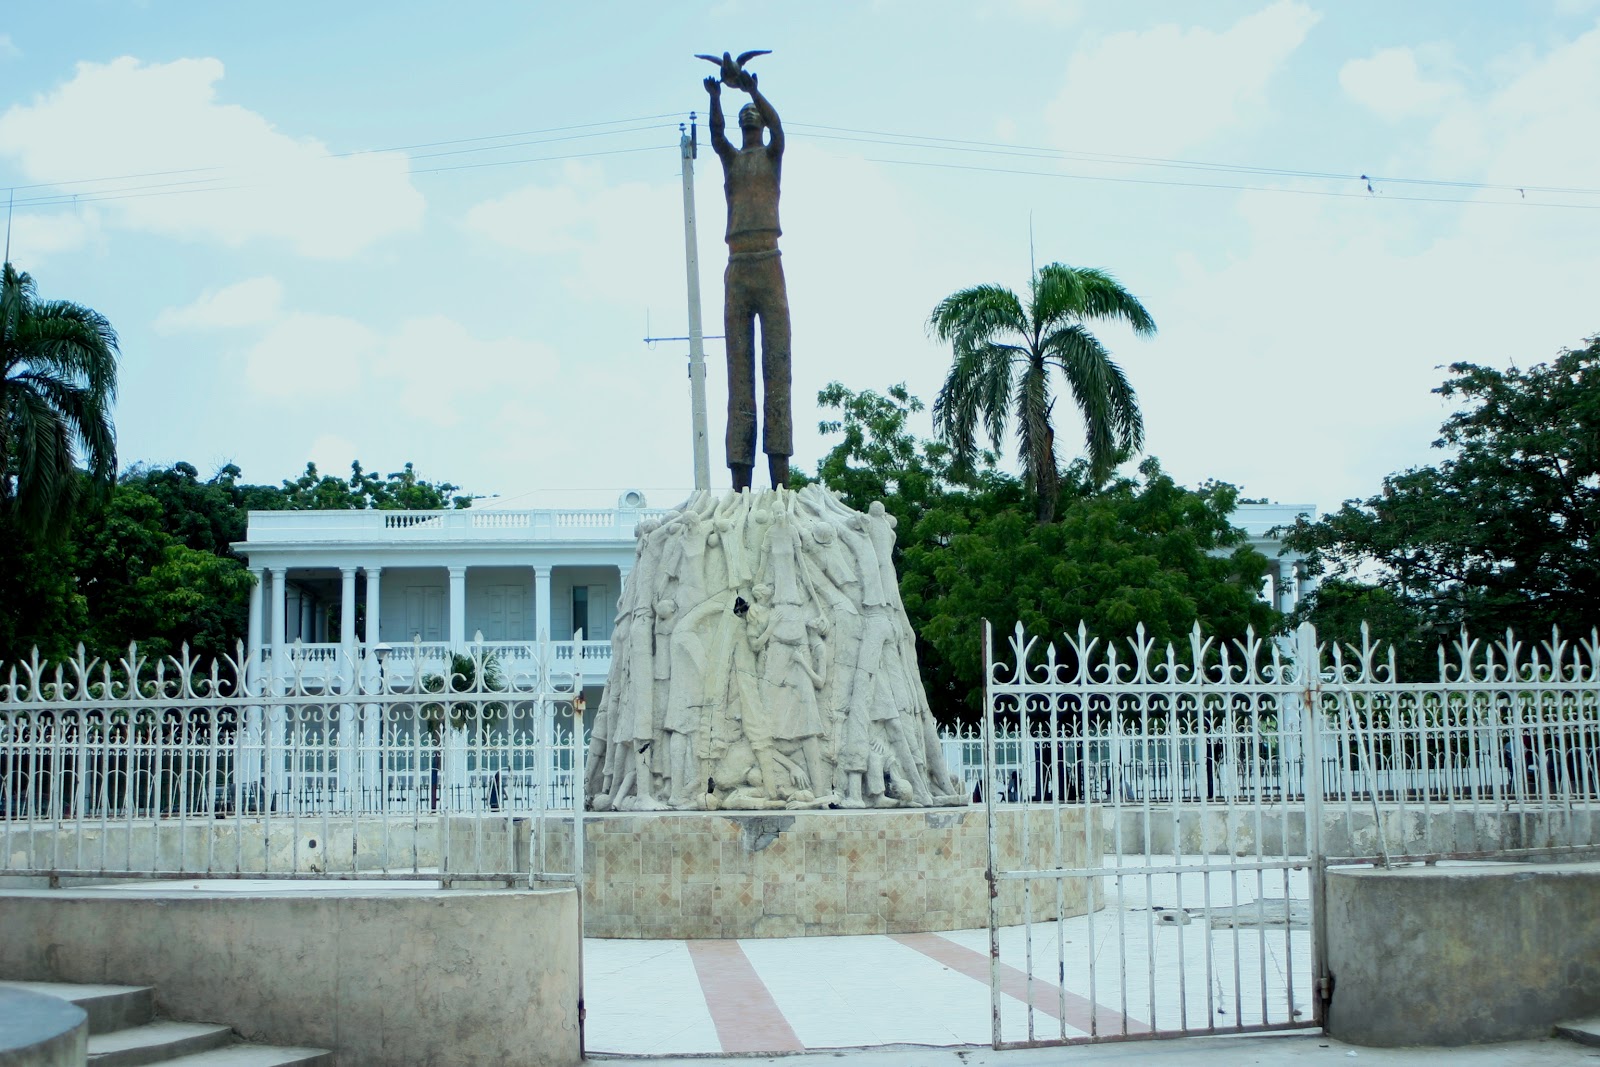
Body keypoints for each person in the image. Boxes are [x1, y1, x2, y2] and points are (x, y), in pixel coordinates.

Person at [705, 70, 791, 492]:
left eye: (753, 116)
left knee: (778, 371)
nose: (751, 121)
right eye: (747, 117)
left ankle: (780, 481)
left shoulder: (772, 156)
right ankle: (740, 480)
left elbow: (780, 128)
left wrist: (753, 88)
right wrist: (715, 96)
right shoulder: (734, 161)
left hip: (769, 263)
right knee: (738, 379)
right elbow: (716, 136)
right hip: (737, 267)